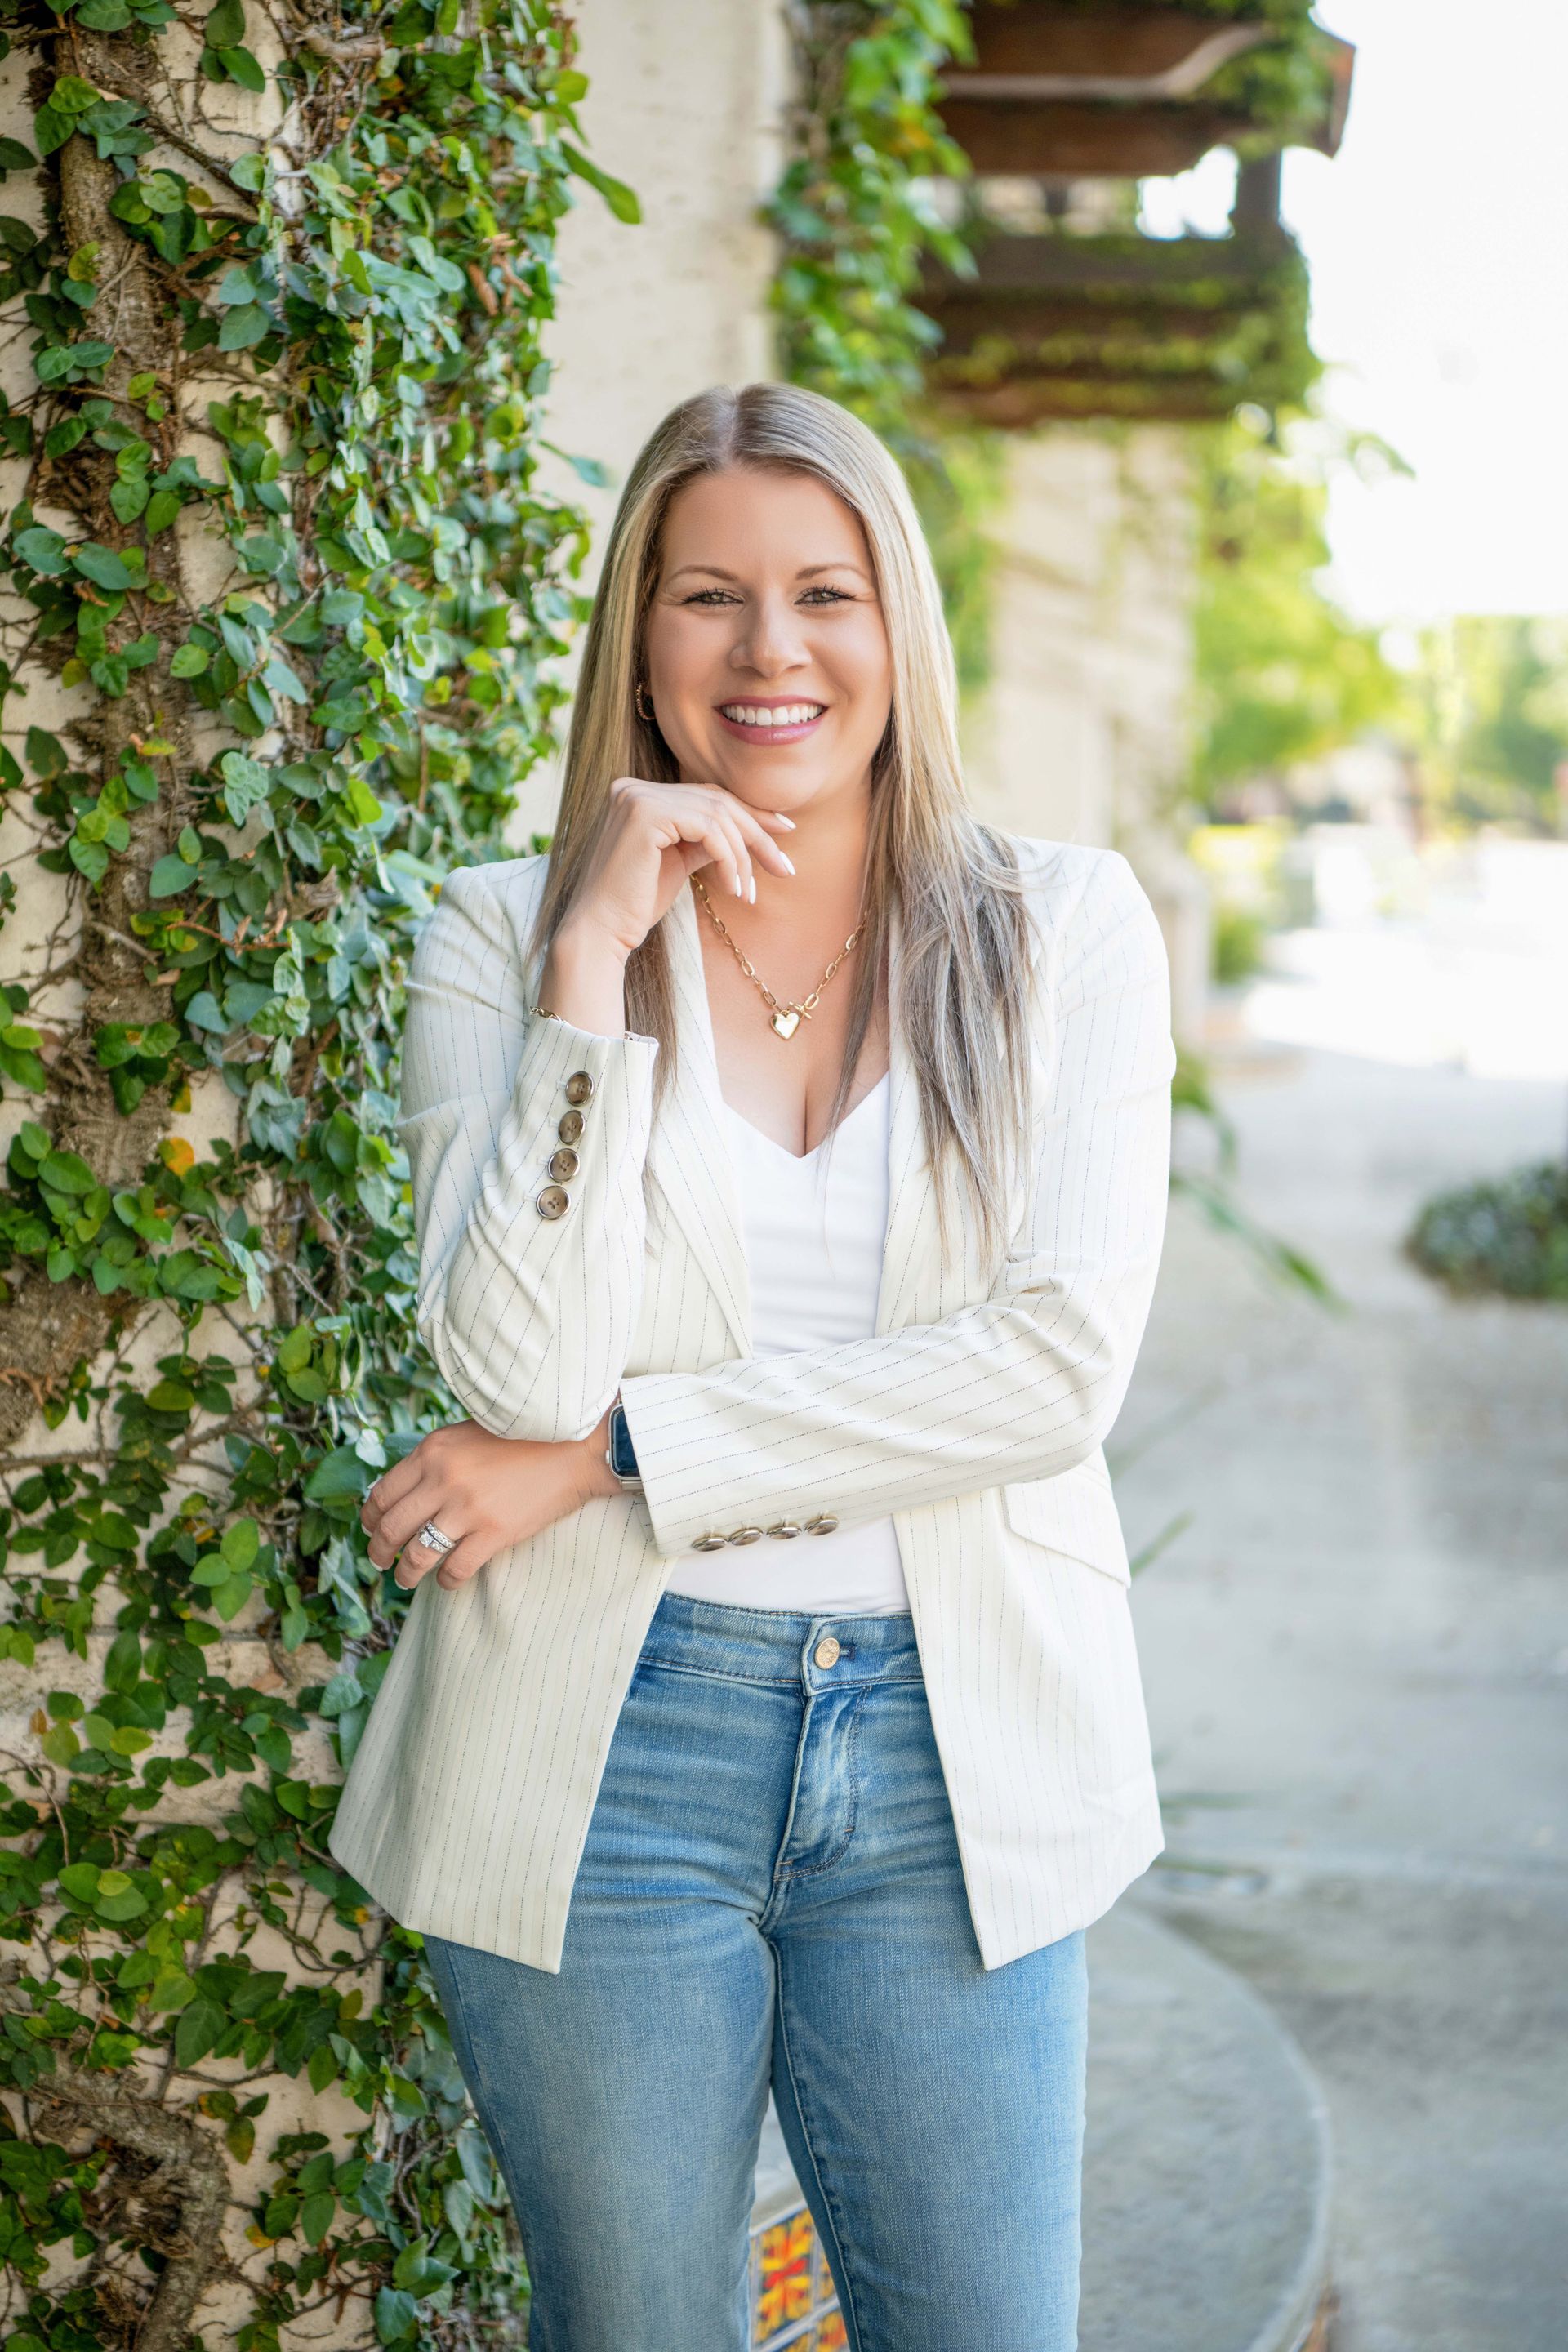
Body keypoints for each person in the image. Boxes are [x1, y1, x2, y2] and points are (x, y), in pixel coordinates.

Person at [329, 381, 1176, 2352]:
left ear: (902, 629)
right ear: (640, 632)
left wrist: (626, 1451)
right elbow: (508, 1372)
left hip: (954, 1755)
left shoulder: (1063, 931)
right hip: (606, 1750)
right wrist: (585, 975)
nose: (771, 651)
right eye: (709, 596)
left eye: (827, 592)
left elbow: (1049, 1373)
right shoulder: (491, 935)